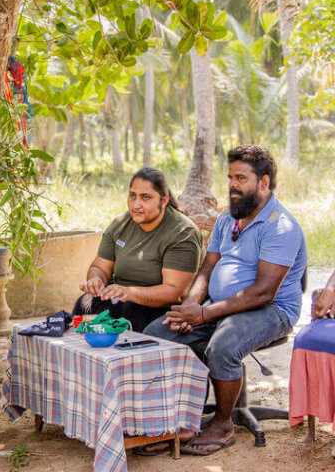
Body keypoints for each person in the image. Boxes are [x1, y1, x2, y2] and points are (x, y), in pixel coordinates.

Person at [143, 145, 307, 456]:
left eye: (241, 178)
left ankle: (222, 423)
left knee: (223, 347)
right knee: (157, 335)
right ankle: (179, 420)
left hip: (271, 310)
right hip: (217, 307)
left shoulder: (280, 226)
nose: (232, 185)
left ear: (264, 182)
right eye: (230, 177)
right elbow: (208, 266)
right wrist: (191, 304)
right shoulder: (227, 218)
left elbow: (263, 292)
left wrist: (203, 315)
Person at [74, 168, 202, 332]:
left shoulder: (182, 233)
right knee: (84, 303)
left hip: (160, 307)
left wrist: (128, 292)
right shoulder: (120, 224)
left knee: (130, 313)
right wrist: (96, 280)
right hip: (121, 296)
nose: (136, 204)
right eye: (132, 195)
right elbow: (99, 267)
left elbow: (174, 292)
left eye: (145, 197)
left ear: (164, 200)